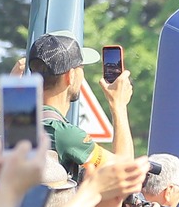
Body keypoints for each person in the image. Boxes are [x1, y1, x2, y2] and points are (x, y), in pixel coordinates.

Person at [28, 31, 134, 175]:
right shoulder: (63, 134)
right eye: (81, 68)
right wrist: (119, 106)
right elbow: (124, 170)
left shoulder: (18, 120)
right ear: (70, 76)